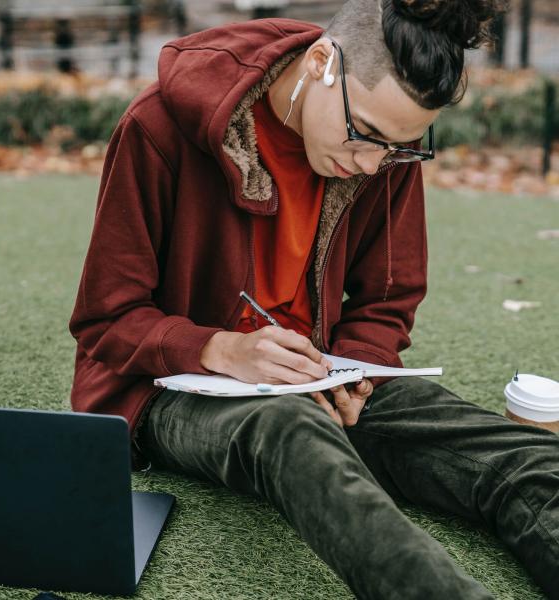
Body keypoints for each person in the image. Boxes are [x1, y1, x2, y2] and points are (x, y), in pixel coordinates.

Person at [68, 1, 559, 597]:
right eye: (368, 136)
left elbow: (388, 298)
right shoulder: (157, 127)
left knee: (518, 456)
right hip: (169, 390)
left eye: (401, 147)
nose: (374, 164)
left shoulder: (383, 151)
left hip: (318, 377)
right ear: (322, 62)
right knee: (289, 427)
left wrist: (354, 369)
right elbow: (106, 317)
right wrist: (221, 349)